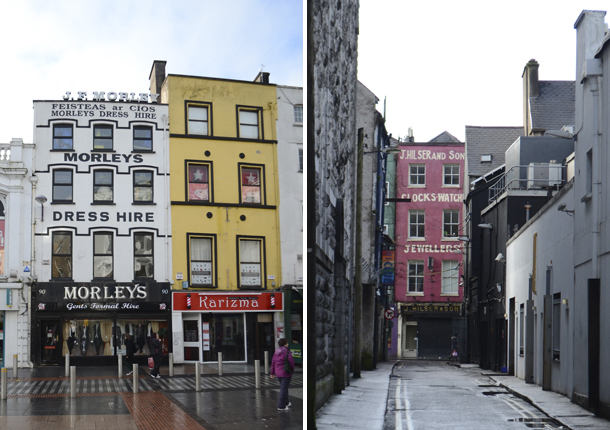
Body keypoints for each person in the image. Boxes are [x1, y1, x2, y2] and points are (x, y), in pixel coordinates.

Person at [270, 338, 295, 411]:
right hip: (286, 372)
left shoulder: (276, 351)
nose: (288, 344)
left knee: (284, 387)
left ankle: (286, 402)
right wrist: (292, 370)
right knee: (283, 389)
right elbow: (291, 362)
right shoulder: (287, 351)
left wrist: (272, 372)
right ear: (285, 344)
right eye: (287, 343)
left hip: (278, 372)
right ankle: (281, 406)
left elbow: (273, 362)